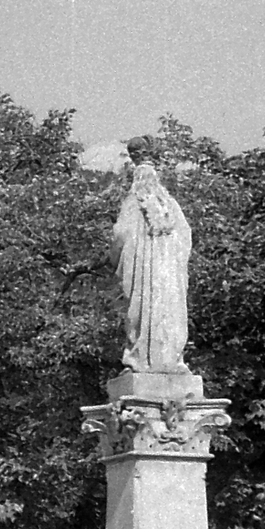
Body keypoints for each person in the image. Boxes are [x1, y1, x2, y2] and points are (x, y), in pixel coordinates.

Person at [108, 143, 193, 375]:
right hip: (168, 278)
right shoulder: (172, 206)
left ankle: (139, 359)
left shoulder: (132, 204)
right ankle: (171, 359)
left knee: (140, 311)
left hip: (145, 279)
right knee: (169, 312)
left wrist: (115, 256)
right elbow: (186, 240)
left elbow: (120, 236)